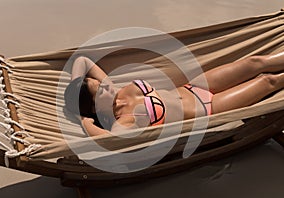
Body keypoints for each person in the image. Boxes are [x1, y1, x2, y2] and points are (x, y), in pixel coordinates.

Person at [64, 52, 284, 136]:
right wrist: (85, 121)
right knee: (268, 81)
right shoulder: (124, 121)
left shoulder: (113, 92)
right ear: (94, 107)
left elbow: (82, 60)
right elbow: (109, 140)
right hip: (210, 107)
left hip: (196, 87)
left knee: (254, 62)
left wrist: (77, 85)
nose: (106, 85)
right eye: (100, 89)